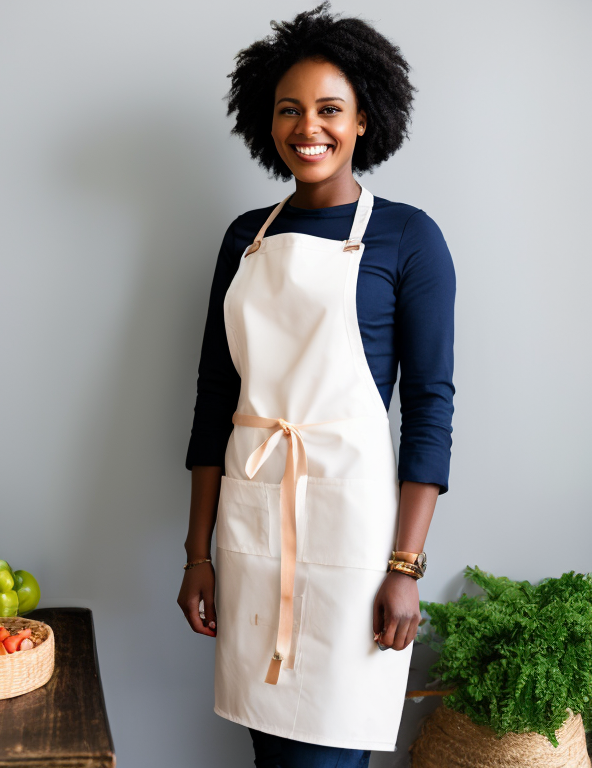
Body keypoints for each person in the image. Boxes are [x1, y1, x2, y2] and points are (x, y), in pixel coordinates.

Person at [177, 4, 455, 766]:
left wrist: (405, 567)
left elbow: (430, 409)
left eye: (330, 109)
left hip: (355, 545)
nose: (310, 127)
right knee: (272, 753)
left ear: (365, 117)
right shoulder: (245, 237)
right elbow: (214, 398)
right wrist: (198, 553)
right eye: (289, 109)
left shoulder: (408, 237)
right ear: (265, 119)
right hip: (253, 530)